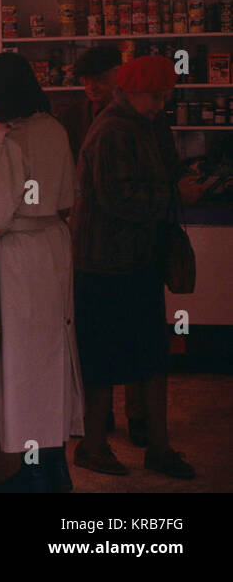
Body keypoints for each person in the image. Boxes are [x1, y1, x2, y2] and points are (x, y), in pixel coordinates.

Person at [0, 52, 82, 492]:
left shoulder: (2, 141)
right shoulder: (52, 129)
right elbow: (66, 195)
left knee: (22, 365)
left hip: (17, 257)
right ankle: (55, 468)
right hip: (53, 245)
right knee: (51, 360)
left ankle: (33, 475)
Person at [71, 55, 196, 479]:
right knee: (109, 359)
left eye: (165, 96)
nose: (161, 104)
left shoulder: (138, 124)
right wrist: (174, 191)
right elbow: (119, 199)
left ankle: (155, 447)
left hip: (131, 259)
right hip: (105, 263)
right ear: (132, 90)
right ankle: (93, 447)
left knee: (148, 355)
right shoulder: (112, 131)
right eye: (156, 95)